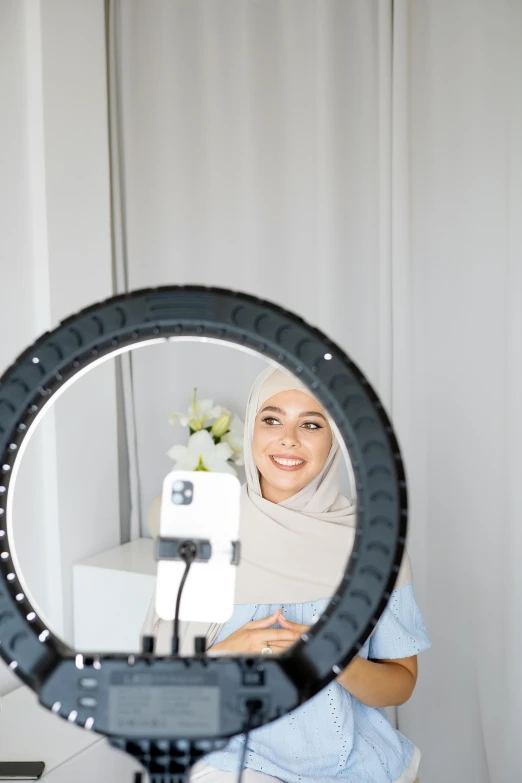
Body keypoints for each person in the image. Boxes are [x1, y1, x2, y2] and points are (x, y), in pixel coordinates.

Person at [143, 366, 431, 783]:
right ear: (252, 430)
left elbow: (400, 684)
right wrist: (228, 651)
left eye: (311, 424)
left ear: (336, 440)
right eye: (271, 419)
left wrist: (335, 662)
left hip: (355, 762)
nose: (288, 439)